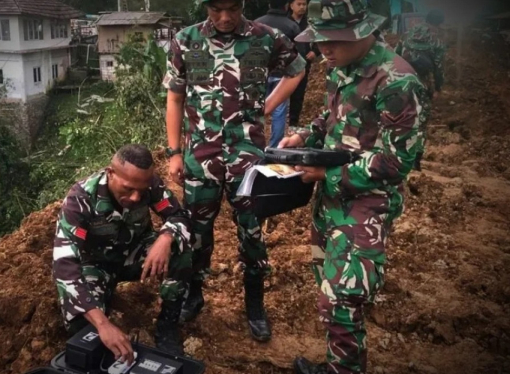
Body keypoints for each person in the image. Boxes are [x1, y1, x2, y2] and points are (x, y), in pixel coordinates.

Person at [278, 1, 426, 373]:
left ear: (362, 32)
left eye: (333, 40)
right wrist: (303, 137)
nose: (324, 48)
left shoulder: (397, 81)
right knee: (328, 288)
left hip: (367, 206)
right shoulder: (339, 67)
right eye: (320, 39)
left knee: (342, 299)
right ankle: (338, 365)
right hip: (332, 199)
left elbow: (396, 162)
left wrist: (325, 176)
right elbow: (333, 118)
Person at [163, 0, 306, 342]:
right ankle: (194, 295)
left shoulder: (266, 37)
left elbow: (296, 70)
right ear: (205, 7)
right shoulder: (186, 40)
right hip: (201, 154)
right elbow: (175, 97)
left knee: (252, 230)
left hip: (248, 156)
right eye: (216, 9)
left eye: (232, 8)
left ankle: (255, 305)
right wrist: (174, 153)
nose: (225, 17)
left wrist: (267, 107)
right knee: (197, 229)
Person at [52, 145, 192, 363]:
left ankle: (167, 326)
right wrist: (102, 324)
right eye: (128, 189)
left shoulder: (150, 185)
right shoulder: (80, 199)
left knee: (180, 248)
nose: (136, 197)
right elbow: (64, 265)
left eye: (141, 190)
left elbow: (179, 216)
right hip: (96, 266)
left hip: (136, 256)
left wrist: (166, 237)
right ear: (110, 173)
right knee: (83, 328)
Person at [395, 9, 446, 171]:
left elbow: (395, 55)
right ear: (438, 24)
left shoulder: (408, 33)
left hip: (400, 81)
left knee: (399, 117)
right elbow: (439, 68)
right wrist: (437, 88)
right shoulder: (437, 40)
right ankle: (415, 160)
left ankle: (397, 155)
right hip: (422, 84)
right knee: (421, 122)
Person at [255, 0, 302, 148]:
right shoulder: (292, 25)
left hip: (261, 74)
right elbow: (300, 54)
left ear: (269, 5)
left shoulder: (256, 24)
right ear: (286, 5)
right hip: (283, 76)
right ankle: (275, 147)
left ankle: (255, 143)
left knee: (255, 110)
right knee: (279, 111)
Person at [288, 0, 321, 129]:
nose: (302, 7)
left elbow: (319, 38)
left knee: (298, 93)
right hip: (287, 63)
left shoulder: (310, 23)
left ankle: (293, 122)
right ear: (291, 6)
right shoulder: (286, 22)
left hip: (303, 63)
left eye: (304, 4)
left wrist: (315, 52)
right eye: (299, 4)